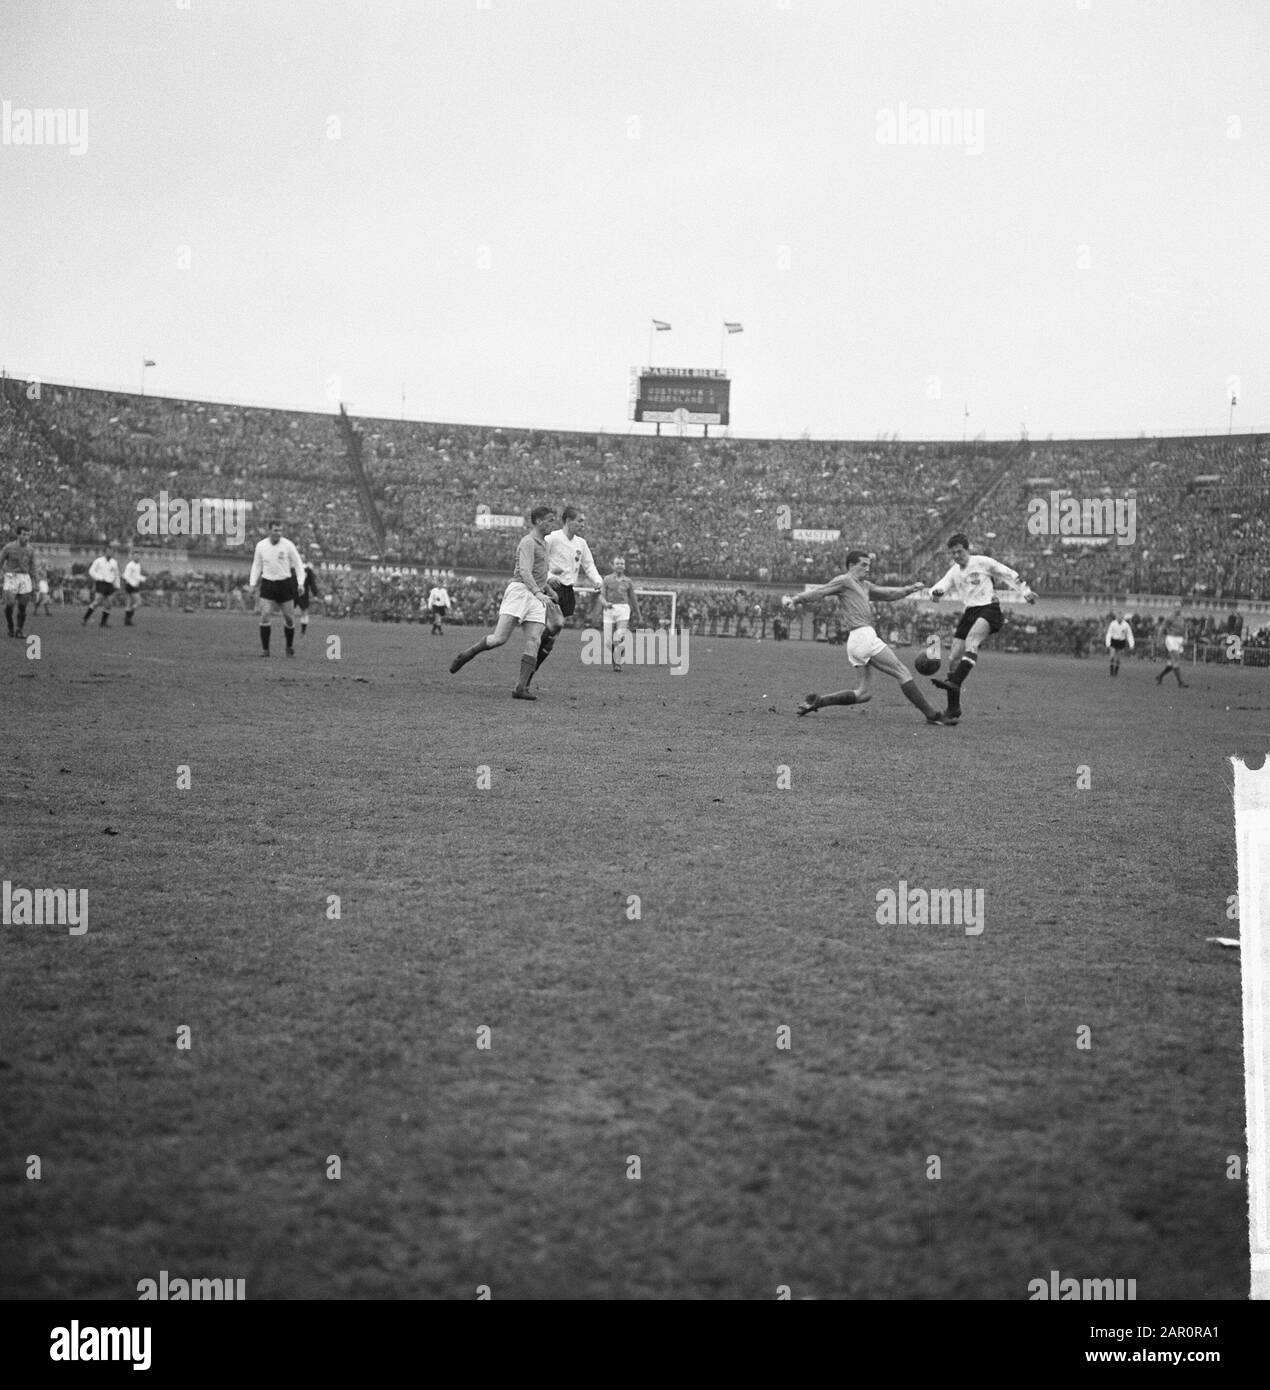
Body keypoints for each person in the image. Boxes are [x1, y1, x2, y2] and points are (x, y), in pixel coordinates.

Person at [783, 551, 953, 726]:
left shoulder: (864, 585)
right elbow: (820, 592)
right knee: (902, 672)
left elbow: (888, 593)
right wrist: (796, 599)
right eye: (863, 565)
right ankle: (932, 715)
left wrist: (909, 589)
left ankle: (818, 701)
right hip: (863, 636)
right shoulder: (845, 580)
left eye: (869, 565)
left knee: (864, 693)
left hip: (856, 641)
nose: (867, 568)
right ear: (851, 566)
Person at [448, 505, 563, 700]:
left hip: (536, 596)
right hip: (520, 592)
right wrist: (538, 591)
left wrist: (548, 590)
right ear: (538, 522)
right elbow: (525, 572)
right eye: (551, 520)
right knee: (499, 639)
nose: (554, 523)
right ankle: (468, 653)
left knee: (534, 640)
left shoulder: (544, 544)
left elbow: (537, 574)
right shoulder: (527, 542)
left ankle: (520, 688)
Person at [925, 533, 1037, 719]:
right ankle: (953, 708)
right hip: (969, 612)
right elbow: (939, 588)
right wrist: (935, 594)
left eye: (959, 552)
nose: (956, 556)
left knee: (972, 641)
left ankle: (956, 682)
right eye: (953, 553)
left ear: (967, 549)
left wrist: (1025, 592)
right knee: (953, 658)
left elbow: (1007, 573)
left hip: (989, 609)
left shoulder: (982, 562)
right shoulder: (954, 571)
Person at [530, 505, 605, 687]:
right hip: (551, 589)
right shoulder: (552, 538)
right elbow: (538, 561)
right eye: (579, 521)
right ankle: (530, 655)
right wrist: (549, 577)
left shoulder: (581, 543)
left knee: (551, 641)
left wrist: (597, 580)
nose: (582, 524)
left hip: (568, 591)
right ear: (567, 521)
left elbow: (589, 565)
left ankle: (529, 673)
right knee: (553, 626)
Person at [248, 520, 306, 657]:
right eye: (275, 530)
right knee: (265, 614)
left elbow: (298, 564)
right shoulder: (261, 546)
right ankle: (265, 649)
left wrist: (301, 583)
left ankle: (289, 647)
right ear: (269, 530)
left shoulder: (288, 545)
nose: (278, 533)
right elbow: (256, 566)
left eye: (280, 530)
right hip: (268, 583)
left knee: (289, 618)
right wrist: (252, 584)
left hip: (285, 584)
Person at [600, 556, 643, 673]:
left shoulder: (628, 581)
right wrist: (605, 603)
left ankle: (617, 662)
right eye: (617, 563)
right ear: (613, 565)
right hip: (609, 609)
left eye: (622, 564)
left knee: (618, 636)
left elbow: (633, 599)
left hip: (623, 609)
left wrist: (639, 614)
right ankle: (618, 653)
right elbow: (601, 595)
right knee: (608, 642)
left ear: (624, 566)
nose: (620, 565)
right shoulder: (607, 579)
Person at [1, 525, 36, 639]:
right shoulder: (8, 547)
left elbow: (32, 567)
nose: (26, 537)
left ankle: (19, 630)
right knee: (10, 604)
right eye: (24, 534)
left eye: (28, 535)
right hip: (11, 577)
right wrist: (2, 574)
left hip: (25, 578)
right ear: (18, 535)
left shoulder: (30, 550)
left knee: (22, 606)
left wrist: (34, 582)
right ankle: (10, 626)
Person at [82, 542, 120, 626]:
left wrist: (117, 585)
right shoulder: (98, 561)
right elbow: (91, 571)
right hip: (101, 583)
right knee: (97, 601)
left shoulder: (114, 562)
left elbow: (116, 574)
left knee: (109, 603)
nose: (110, 553)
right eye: (109, 551)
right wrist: (99, 577)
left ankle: (103, 623)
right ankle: (85, 618)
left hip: (110, 584)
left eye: (112, 551)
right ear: (105, 552)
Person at [1156, 607, 1189, 688]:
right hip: (1171, 639)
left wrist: (1186, 638)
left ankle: (1160, 676)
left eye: (1180, 607)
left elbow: (1185, 629)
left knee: (1172, 663)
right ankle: (1180, 682)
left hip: (1179, 640)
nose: (1178, 609)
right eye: (1176, 607)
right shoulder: (1169, 618)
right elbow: (1161, 629)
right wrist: (1159, 640)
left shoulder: (1182, 618)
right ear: (1174, 608)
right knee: (1176, 661)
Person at [294, 557, 321, 636]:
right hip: (295, 593)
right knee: (293, 612)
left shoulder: (306, 570)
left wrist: (315, 594)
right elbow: (312, 583)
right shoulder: (294, 568)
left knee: (303, 611)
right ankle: (293, 631)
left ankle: (302, 631)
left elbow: (312, 583)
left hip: (301, 593)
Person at [1104, 612, 1134, 677]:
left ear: (1122, 618)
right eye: (1118, 617)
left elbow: (1129, 635)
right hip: (1114, 641)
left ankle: (1116, 672)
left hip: (1121, 642)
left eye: (1120, 617)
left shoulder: (1126, 625)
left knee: (1118, 659)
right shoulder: (1113, 624)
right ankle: (1111, 672)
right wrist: (1108, 643)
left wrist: (1131, 644)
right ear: (1116, 617)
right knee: (1112, 657)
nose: (1119, 618)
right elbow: (1109, 633)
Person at [122, 552, 145, 626]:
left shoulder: (138, 565)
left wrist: (143, 578)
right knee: (139, 602)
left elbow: (136, 575)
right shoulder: (130, 565)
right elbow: (125, 576)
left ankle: (127, 621)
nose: (137, 558)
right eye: (135, 556)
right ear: (133, 557)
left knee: (129, 603)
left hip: (134, 586)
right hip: (131, 586)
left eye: (138, 556)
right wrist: (132, 584)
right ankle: (128, 618)